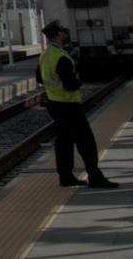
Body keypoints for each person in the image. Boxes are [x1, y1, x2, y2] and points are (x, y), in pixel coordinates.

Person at [40, 22, 117, 189]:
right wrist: (78, 81)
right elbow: (70, 84)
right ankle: (95, 176)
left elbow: (40, 78)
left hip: (54, 104)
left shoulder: (45, 55)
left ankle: (66, 176)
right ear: (59, 34)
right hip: (69, 105)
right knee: (85, 141)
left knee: (63, 142)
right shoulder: (61, 57)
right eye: (63, 32)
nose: (65, 34)